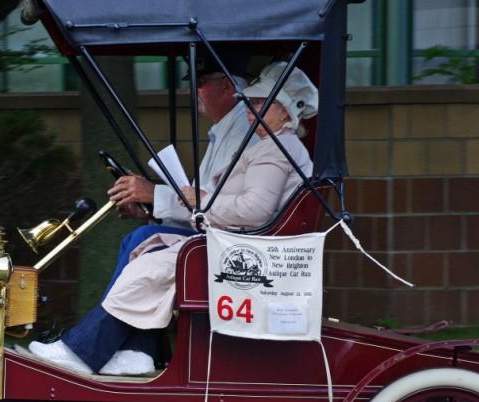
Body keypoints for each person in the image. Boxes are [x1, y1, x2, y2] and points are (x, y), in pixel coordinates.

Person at [30, 62, 318, 375]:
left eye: (261, 102)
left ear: (286, 111)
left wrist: (202, 201)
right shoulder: (274, 146)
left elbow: (255, 210)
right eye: (251, 101)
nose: (250, 107)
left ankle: (82, 352)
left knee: (148, 267)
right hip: (234, 244)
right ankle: (136, 351)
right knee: (145, 250)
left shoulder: (277, 149)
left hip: (242, 252)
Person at [102, 48, 257, 295]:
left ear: (227, 86)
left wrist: (154, 195)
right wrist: (152, 209)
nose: (191, 90)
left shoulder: (244, 132)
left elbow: (210, 207)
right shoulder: (227, 129)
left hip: (229, 246)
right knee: (139, 237)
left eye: (200, 83)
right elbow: (201, 205)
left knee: (143, 238)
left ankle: (102, 330)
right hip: (216, 238)